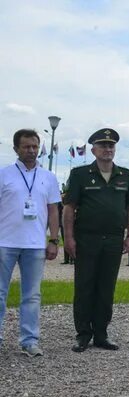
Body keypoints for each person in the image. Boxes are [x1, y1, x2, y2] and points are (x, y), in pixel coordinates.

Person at [63, 128, 129, 352]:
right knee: (85, 286)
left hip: (114, 240)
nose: (108, 149)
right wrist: (68, 238)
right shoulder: (80, 174)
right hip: (87, 239)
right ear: (93, 150)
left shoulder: (126, 175)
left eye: (111, 145)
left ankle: (102, 334)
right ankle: (83, 334)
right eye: (103, 145)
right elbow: (69, 208)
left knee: (106, 288)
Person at [0, 129, 61, 357]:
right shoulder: (4, 174)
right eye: (26, 147)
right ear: (16, 148)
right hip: (4, 242)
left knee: (32, 295)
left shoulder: (48, 177)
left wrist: (54, 240)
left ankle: (29, 340)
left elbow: (53, 211)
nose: (32, 151)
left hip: (35, 245)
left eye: (35, 146)